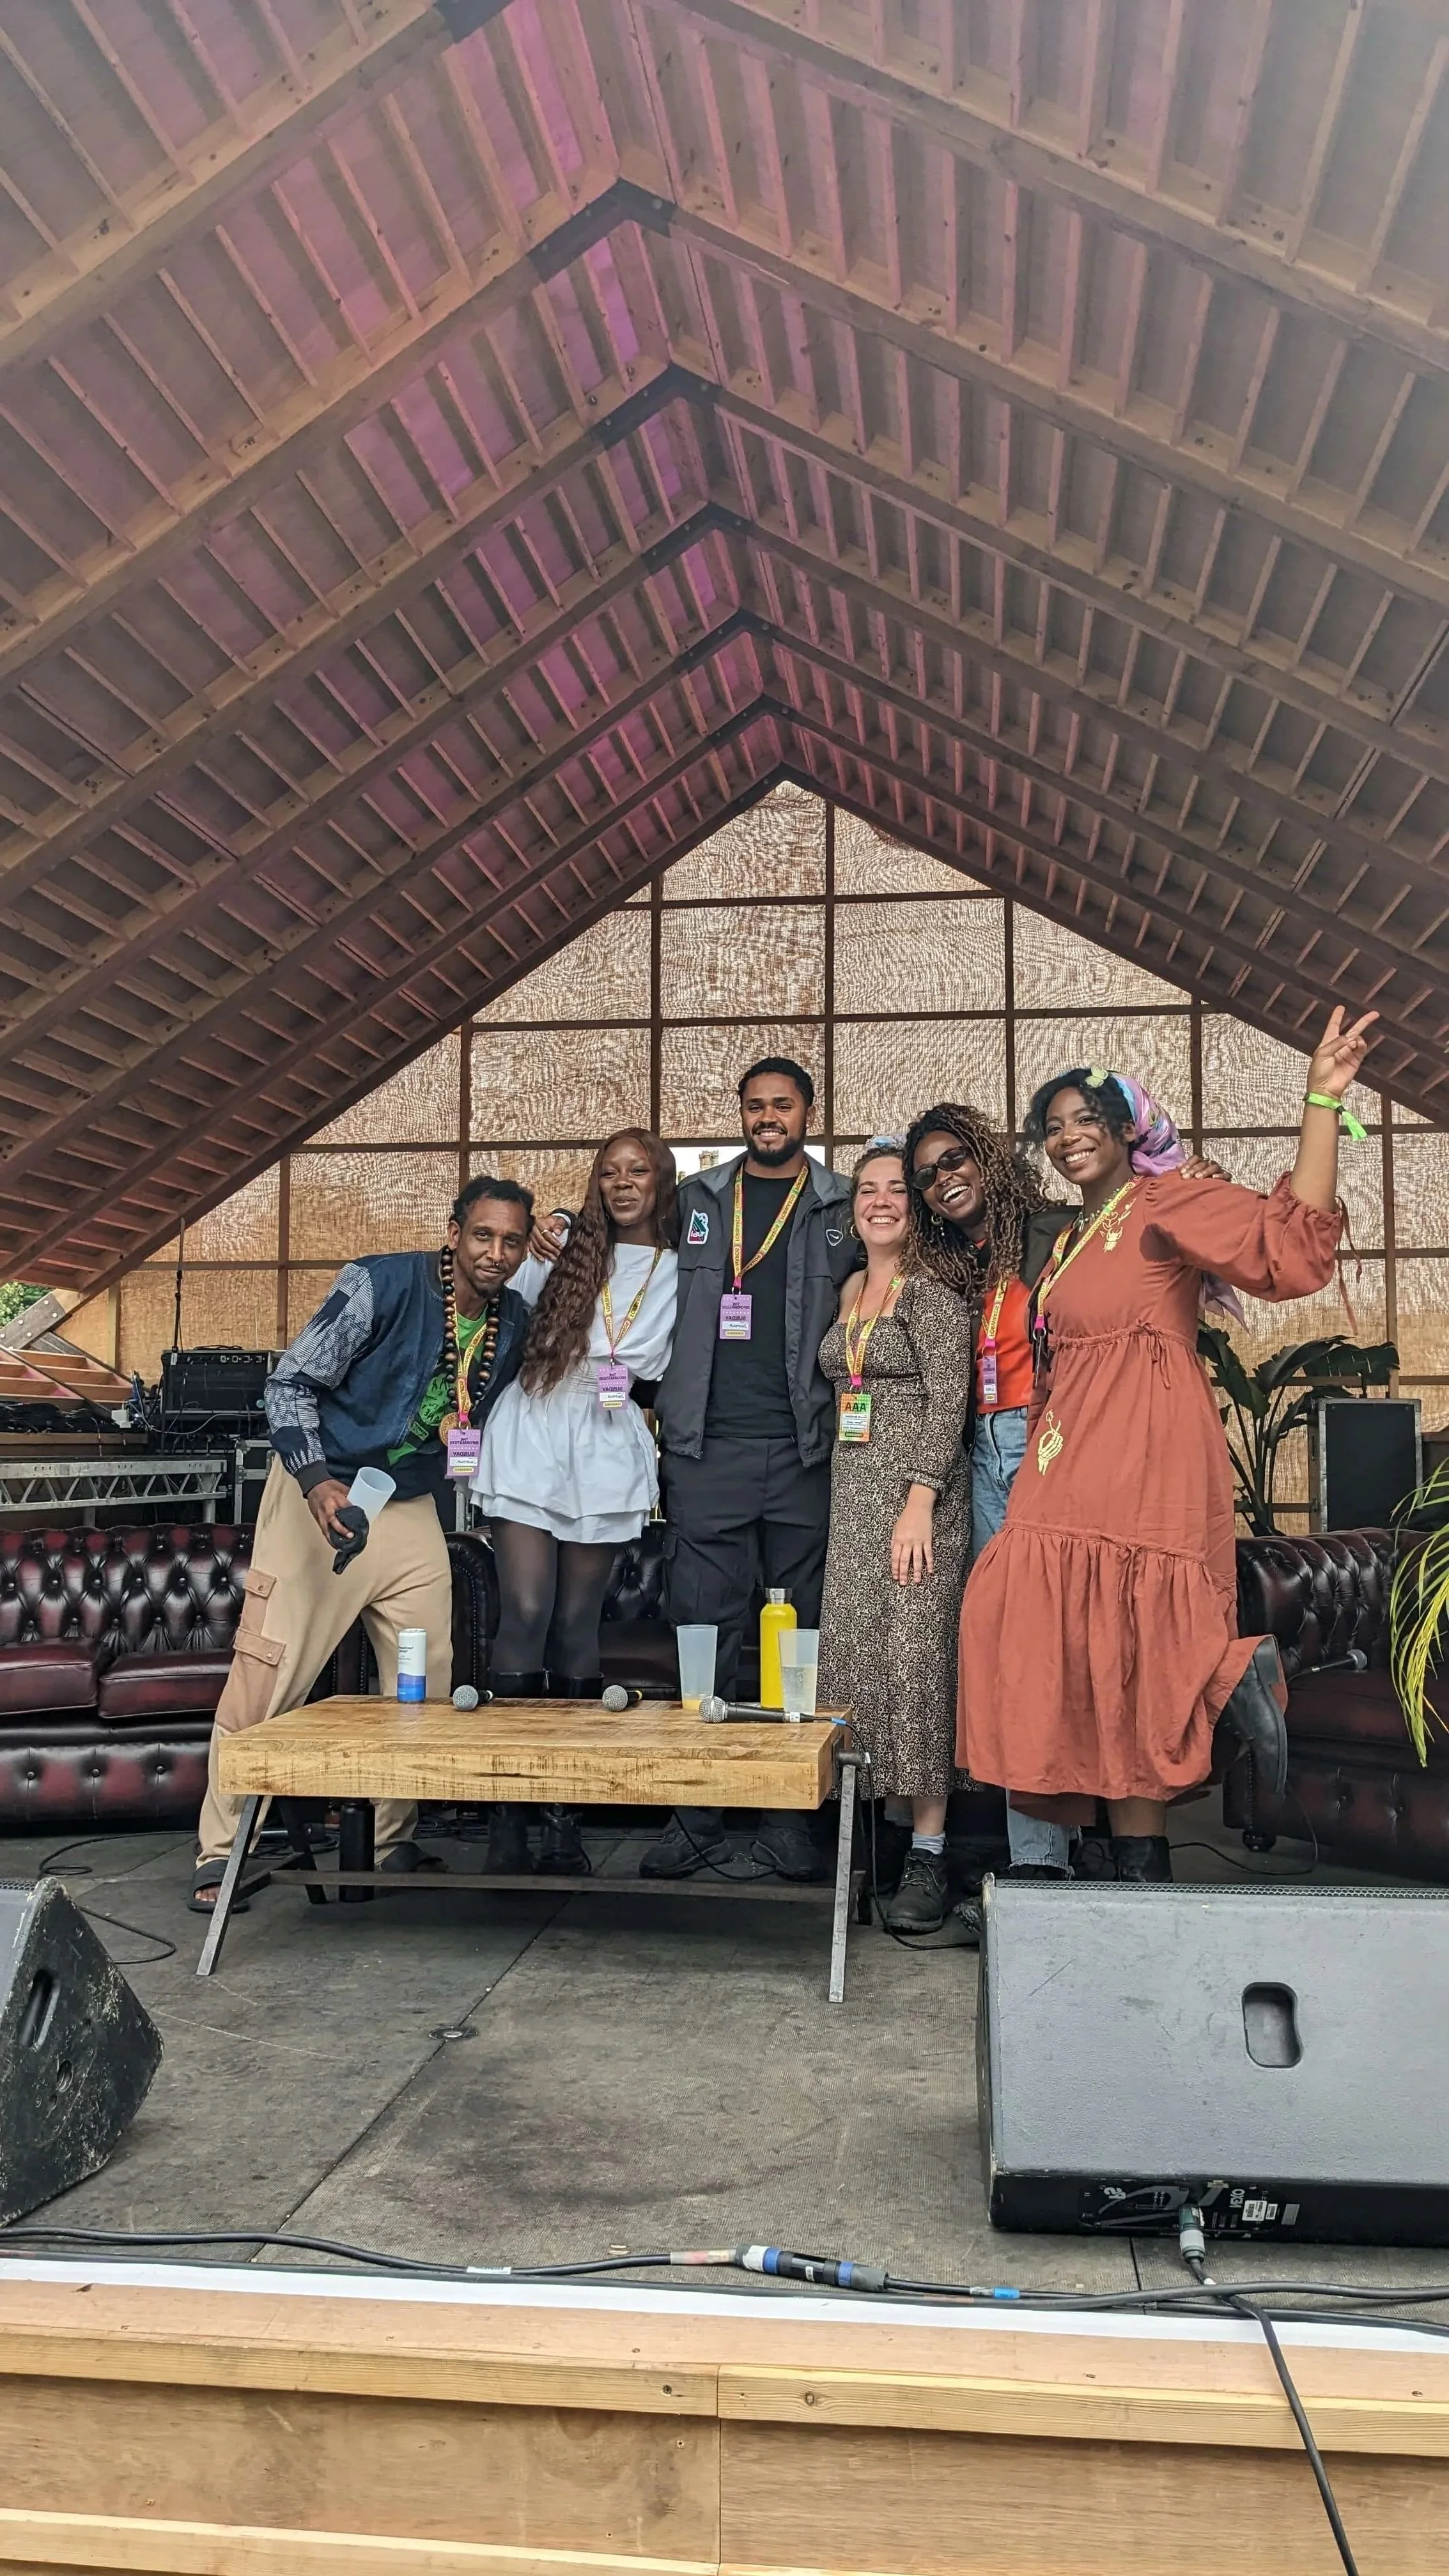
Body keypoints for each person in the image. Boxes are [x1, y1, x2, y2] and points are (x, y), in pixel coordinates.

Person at [959, 1008, 1375, 1884]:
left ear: (1124, 1129)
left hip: (1144, 1443)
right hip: (1065, 1446)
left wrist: (1319, 1101)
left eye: (1085, 1119)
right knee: (1068, 1631)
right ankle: (1139, 1864)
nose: (1067, 1136)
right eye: (1052, 1126)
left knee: (1136, 1628)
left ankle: (1225, 1673)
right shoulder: (1067, 1237)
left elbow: (1284, 1245)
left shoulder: (1165, 1198)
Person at [190, 1176, 534, 1912]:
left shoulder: (516, 1322)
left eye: (511, 1240)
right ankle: (221, 1849)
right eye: (482, 1235)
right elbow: (287, 1386)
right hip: (322, 1490)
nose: (495, 1252)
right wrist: (316, 1482)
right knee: (269, 1671)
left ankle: (388, 1839)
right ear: (453, 1232)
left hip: (406, 1503)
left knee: (426, 1672)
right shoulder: (381, 1283)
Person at [644, 1056, 860, 1879]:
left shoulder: (842, 1206)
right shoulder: (697, 1201)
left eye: (783, 1104)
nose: (768, 1116)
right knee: (703, 1627)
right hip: (706, 1446)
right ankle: (695, 1815)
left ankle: (786, 1819)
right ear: (740, 1114)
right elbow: (618, 1238)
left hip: (806, 1447)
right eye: (755, 1105)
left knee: (794, 1637)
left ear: (808, 1111)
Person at [472, 1130, 679, 1874]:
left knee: (575, 1621)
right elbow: (491, 1318)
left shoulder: (682, 1268)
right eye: (609, 1172)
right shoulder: (552, 1255)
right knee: (524, 1610)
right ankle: (508, 1817)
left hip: (606, 1438)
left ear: (661, 1181)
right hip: (532, 1428)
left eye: (638, 1171)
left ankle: (564, 1821)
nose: (623, 1184)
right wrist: (542, 1241)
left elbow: (661, 1370)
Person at [904, 1105, 1072, 1890]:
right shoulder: (948, 1263)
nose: (942, 1181)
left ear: (986, 1157)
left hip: (1048, 1443)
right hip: (979, 1452)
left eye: (952, 1161)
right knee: (1001, 1645)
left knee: (1045, 1646)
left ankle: (1043, 1863)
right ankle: (1022, 1856)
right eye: (926, 1177)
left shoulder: (1054, 1231)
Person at [817, 1145, 975, 1932]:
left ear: (915, 1207)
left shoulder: (933, 1292)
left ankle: (929, 1852)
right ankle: (863, 1846)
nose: (879, 1202)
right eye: (866, 1190)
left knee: (916, 1663)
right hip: (852, 1498)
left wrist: (919, 1500)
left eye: (894, 1191)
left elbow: (950, 1402)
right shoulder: (851, 1288)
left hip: (917, 1499)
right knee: (857, 1660)